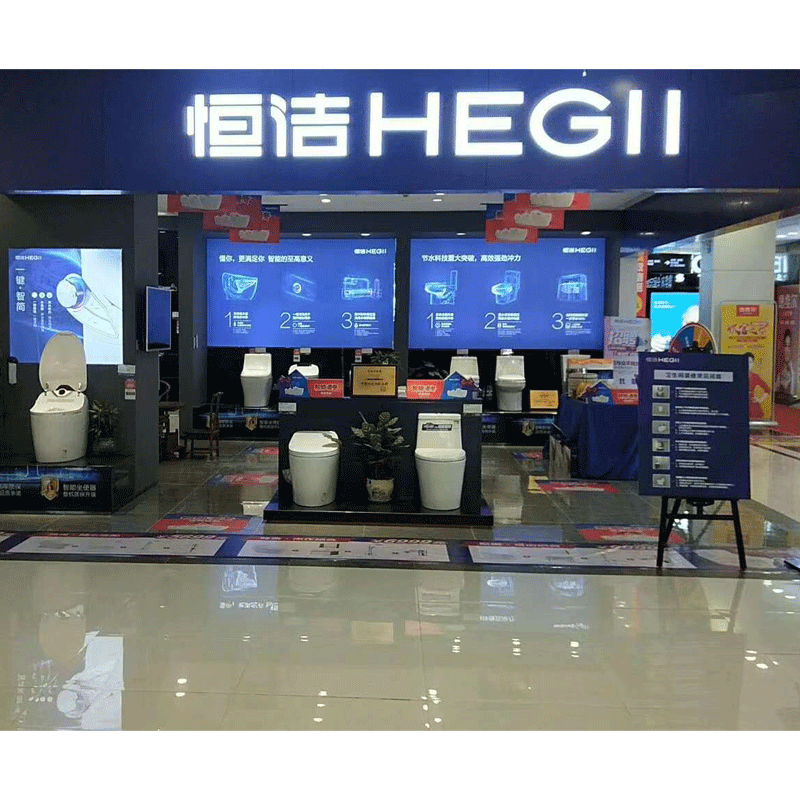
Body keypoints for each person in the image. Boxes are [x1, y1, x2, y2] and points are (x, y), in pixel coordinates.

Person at [746, 352, 771, 420]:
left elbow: (768, 390)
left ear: (753, 364)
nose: (748, 364)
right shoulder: (737, 376)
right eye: (746, 362)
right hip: (740, 405)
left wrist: (760, 400)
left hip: (752, 406)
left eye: (750, 362)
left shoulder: (755, 377)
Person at [776, 328, 796, 398]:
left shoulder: (793, 368)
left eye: (789, 346)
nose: (787, 350)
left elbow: (793, 393)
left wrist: (792, 372)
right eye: (785, 345)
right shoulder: (779, 366)